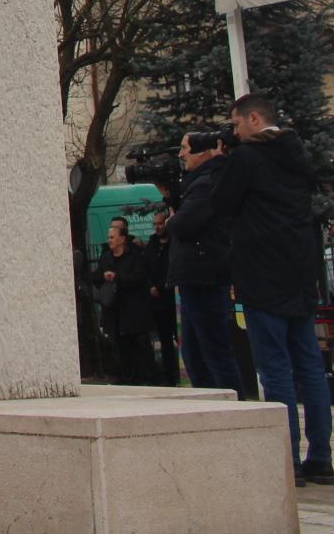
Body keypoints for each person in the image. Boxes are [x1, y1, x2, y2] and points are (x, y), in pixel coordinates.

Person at [213, 93, 334, 486]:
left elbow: (221, 204)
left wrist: (222, 160)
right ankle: (322, 458)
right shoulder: (296, 155)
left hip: (263, 276)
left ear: (253, 119)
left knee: (277, 371)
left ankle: (289, 460)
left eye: (235, 124)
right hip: (299, 275)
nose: (232, 131)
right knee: (311, 369)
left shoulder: (247, 159)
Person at [165, 132, 245, 395]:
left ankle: (233, 406)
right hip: (195, 275)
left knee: (214, 349)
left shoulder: (208, 182)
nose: (181, 154)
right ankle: (210, 402)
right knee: (195, 352)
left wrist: (171, 222)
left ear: (202, 152)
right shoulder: (197, 182)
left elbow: (183, 224)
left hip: (204, 275)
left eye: (185, 148)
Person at [93, 218, 154, 383]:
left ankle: (148, 377)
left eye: (112, 237)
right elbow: (96, 276)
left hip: (134, 309)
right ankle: (128, 377)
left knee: (140, 344)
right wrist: (103, 276)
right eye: (109, 237)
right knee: (122, 346)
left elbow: (138, 277)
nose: (109, 240)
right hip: (115, 309)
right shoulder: (106, 258)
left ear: (122, 239)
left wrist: (117, 277)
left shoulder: (134, 256)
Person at [143, 210, 180, 385]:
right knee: (164, 341)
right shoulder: (152, 245)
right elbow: (146, 268)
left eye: (160, 223)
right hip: (157, 302)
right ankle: (170, 376)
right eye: (155, 224)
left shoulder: (174, 243)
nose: (158, 227)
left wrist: (163, 286)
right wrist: (151, 286)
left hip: (172, 298)